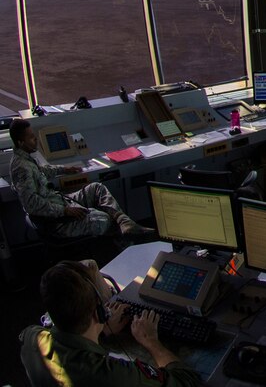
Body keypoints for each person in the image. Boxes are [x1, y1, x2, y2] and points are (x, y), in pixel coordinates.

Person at [20, 259, 202, 386]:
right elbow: (186, 382)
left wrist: (101, 333)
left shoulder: (31, 338)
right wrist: (152, 342)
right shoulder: (112, 375)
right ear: (99, 313)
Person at [9, 119, 153, 239]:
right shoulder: (21, 168)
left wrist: (64, 169)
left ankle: (125, 223)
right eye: (31, 137)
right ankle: (128, 242)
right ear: (20, 142)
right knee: (104, 219)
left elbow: (42, 171)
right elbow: (31, 204)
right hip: (57, 222)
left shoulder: (27, 159)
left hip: (61, 202)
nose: (35, 140)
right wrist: (65, 211)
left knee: (97, 188)